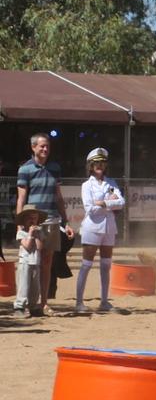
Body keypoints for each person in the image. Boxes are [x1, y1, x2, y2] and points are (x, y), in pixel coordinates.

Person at [14, 132, 72, 317]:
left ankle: (43, 303)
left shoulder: (55, 168)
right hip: (34, 221)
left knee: (47, 263)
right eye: (42, 146)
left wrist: (66, 220)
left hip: (53, 219)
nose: (45, 149)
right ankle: (29, 302)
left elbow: (58, 196)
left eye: (47, 146)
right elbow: (21, 198)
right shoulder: (25, 169)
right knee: (33, 262)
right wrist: (20, 224)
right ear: (33, 147)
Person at [76, 148, 125, 314]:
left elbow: (121, 202)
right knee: (86, 265)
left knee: (106, 265)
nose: (99, 165)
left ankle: (104, 301)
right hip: (92, 228)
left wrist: (102, 203)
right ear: (90, 165)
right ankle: (79, 301)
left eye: (102, 163)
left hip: (109, 227)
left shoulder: (111, 183)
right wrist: (108, 203)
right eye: (96, 163)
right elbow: (90, 209)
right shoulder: (86, 185)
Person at [13, 205, 46, 318]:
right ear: (24, 220)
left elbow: (40, 247)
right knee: (24, 285)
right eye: (29, 218)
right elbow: (27, 246)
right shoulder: (21, 233)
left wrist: (37, 235)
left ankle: (34, 306)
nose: (32, 220)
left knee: (35, 287)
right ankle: (19, 306)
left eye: (34, 218)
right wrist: (30, 234)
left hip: (35, 262)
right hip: (25, 262)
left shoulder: (40, 233)